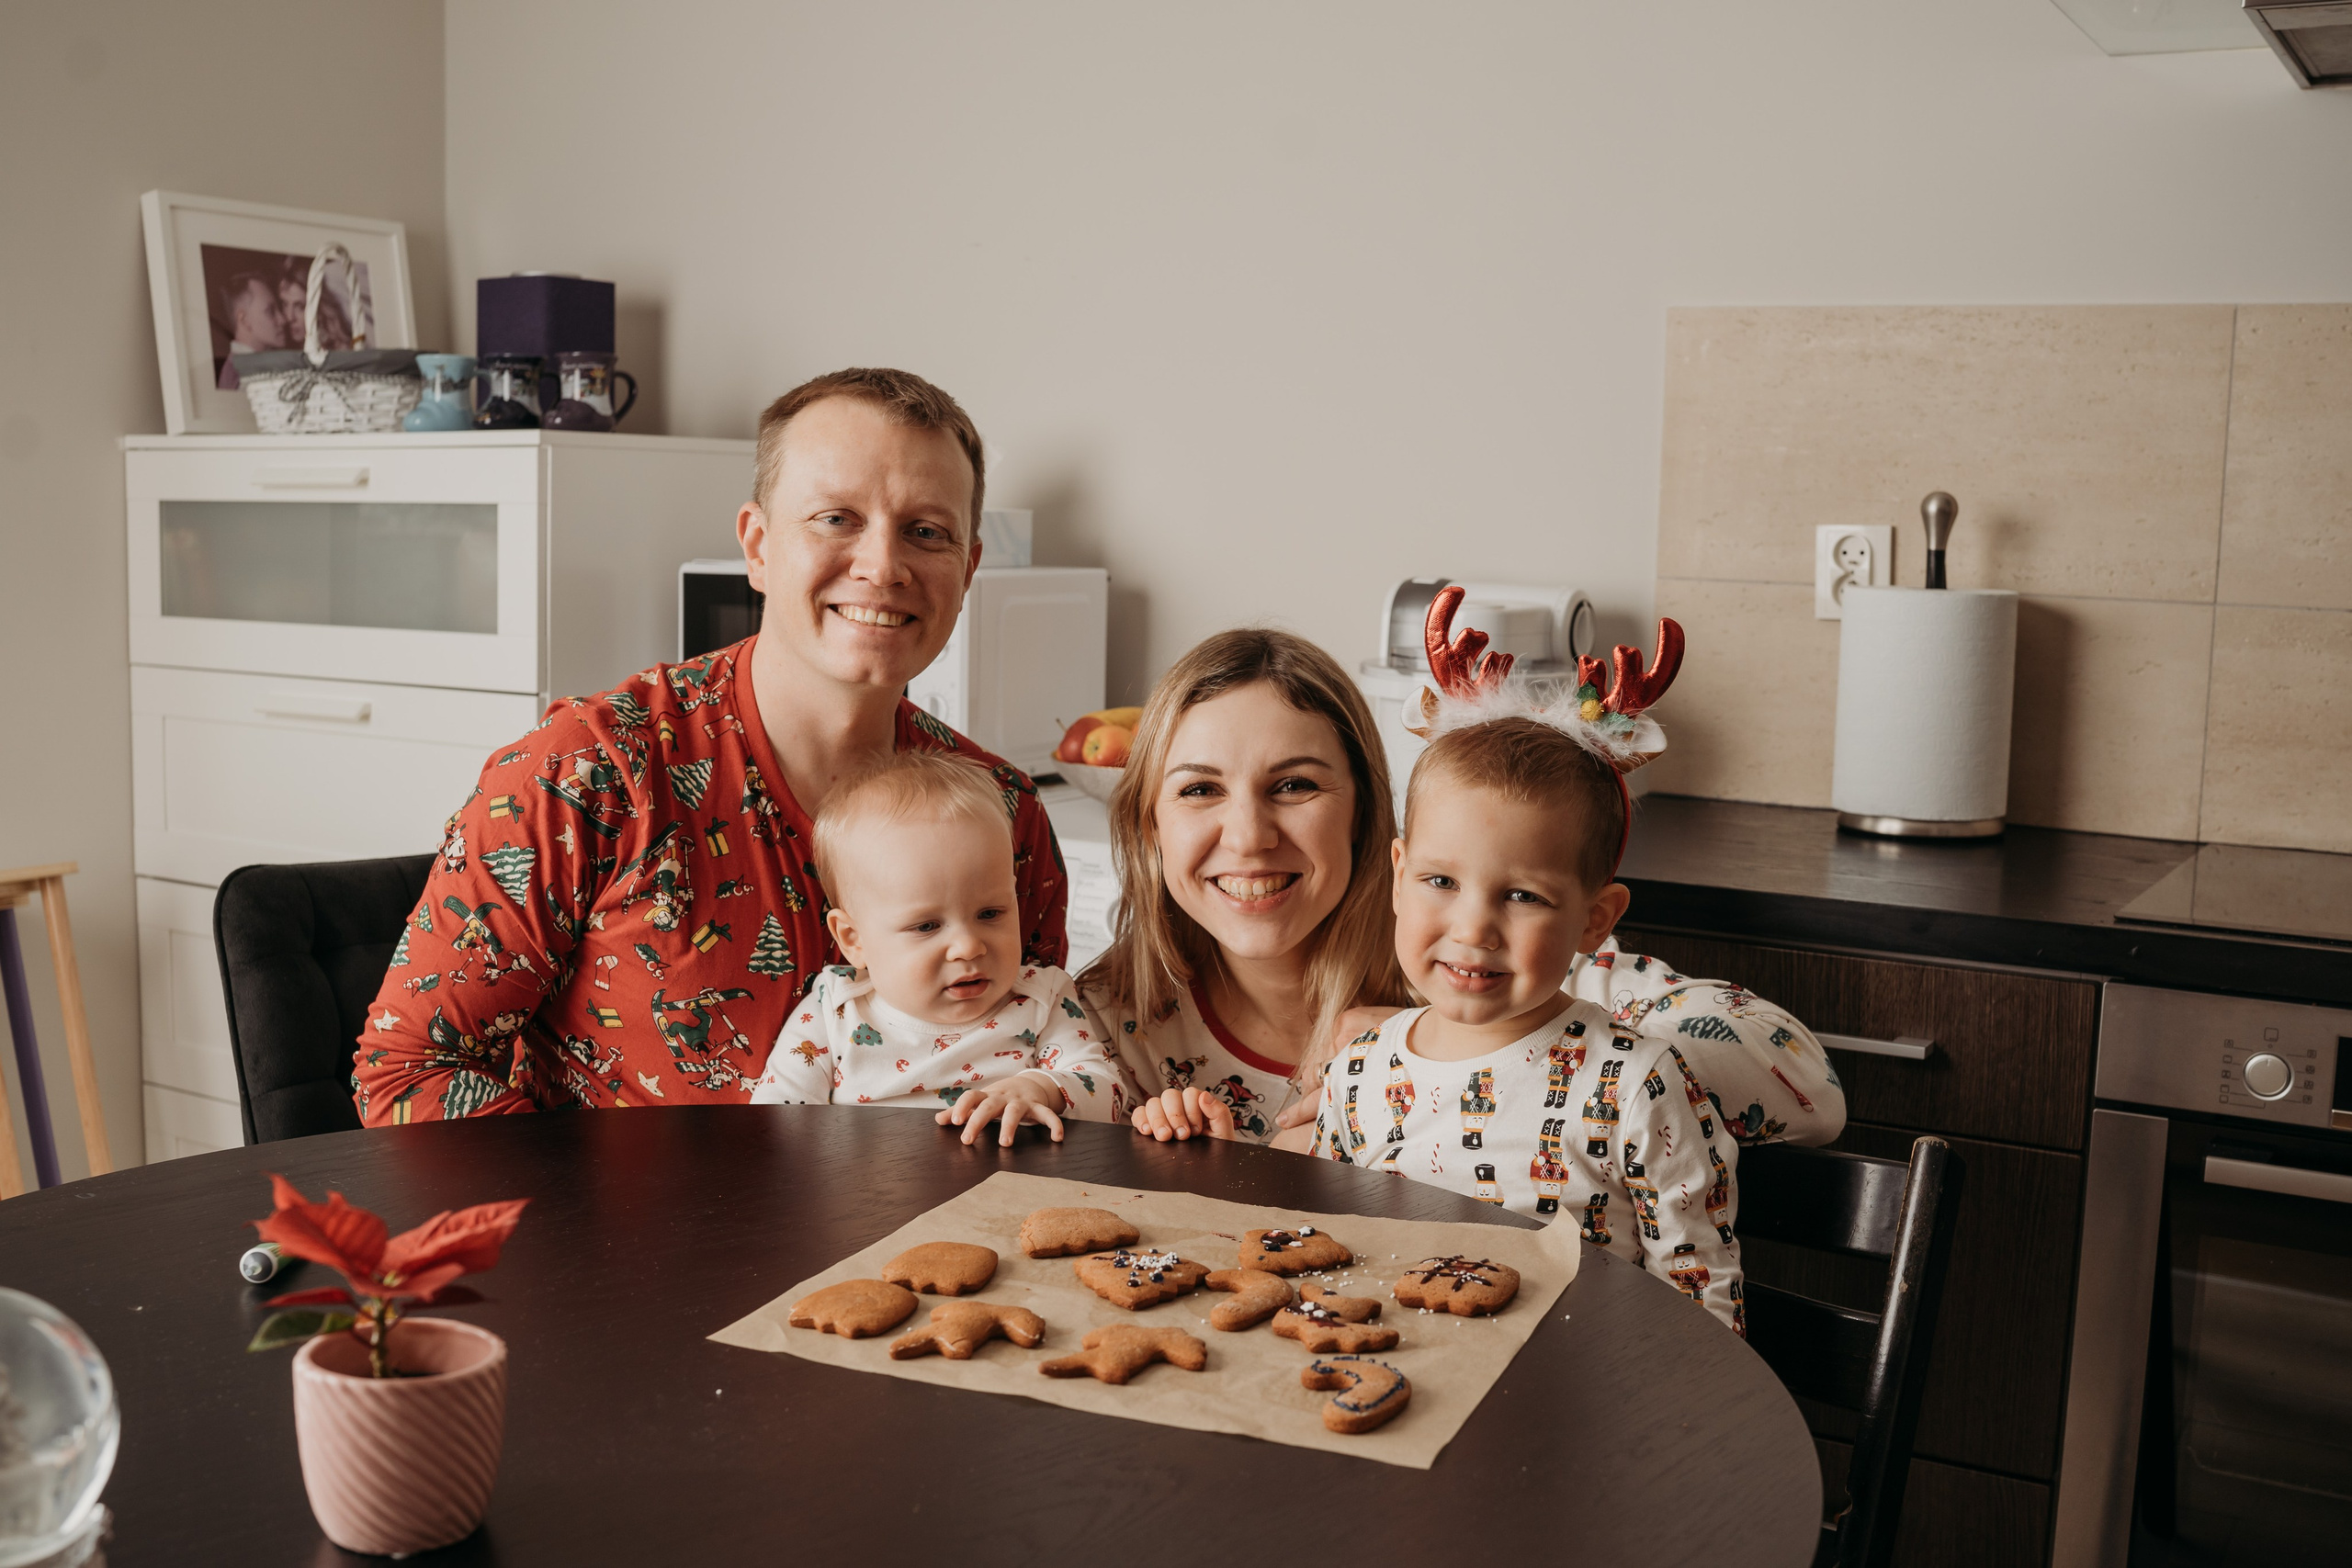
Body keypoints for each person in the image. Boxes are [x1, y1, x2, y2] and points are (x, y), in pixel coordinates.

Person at [351, 367, 1068, 1122]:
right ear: (758, 547)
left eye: (927, 531)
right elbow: (408, 1073)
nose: (883, 566)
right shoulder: (587, 769)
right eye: (835, 518)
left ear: (968, 569)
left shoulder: (1004, 807)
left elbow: (1050, 1046)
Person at [1090, 617, 1840, 1157]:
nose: (1250, 834)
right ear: (1150, 824)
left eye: (1294, 785)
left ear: (1365, 820)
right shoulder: (1109, 1020)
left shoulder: (1489, 961)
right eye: (1198, 791)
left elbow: (1808, 1090)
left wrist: (1469, 1046)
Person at [1308, 607, 1745, 1332]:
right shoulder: (1356, 1074)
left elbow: (1700, 1300)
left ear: (1593, 920)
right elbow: (1326, 1254)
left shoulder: (1636, 1085)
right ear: (1396, 875)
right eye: (1440, 881)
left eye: (1521, 895)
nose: (1473, 927)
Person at [747, 750, 1116, 1144]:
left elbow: (1107, 1095)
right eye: (926, 926)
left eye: (990, 913)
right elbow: (774, 1124)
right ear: (854, 940)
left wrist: (1040, 1089)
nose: (968, 947)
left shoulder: (1042, 998)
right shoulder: (834, 1010)